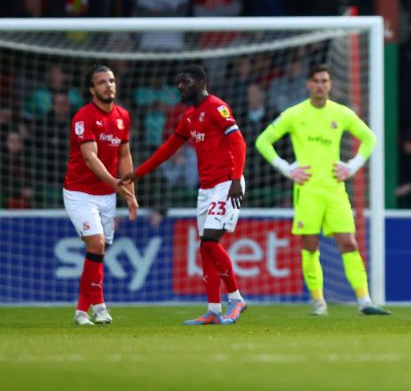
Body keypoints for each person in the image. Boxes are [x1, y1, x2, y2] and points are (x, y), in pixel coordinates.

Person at [254, 64, 388, 316]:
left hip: (335, 189)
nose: (320, 85)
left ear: (330, 84)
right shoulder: (294, 114)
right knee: (310, 245)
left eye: (324, 80)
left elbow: (370, 138)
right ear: (308, 84)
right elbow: (262, 141)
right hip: (307, 190)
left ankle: (365, 301)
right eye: (315, 80)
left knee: (349, 243)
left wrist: (353, 166)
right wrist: (286, 168)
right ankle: (318, 302)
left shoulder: (341, 113)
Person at [121, 65, 248, 325]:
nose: (179, 87)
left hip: (227, 183)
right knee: (205, 248)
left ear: (201, 81)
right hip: (206, 188)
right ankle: (213, 310)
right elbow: (168, 148)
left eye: (185, 82)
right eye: (178, 82)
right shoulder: (189, 116)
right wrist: (138, 172)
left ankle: (236, 298)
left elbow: (239, 142)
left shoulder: (217, 107)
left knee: (211, 242)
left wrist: (236, 178)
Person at [64, 65, 138, 325]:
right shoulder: (84, 117)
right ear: (92, 89)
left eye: (111, 80)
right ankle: (100, 306)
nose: (109, 85)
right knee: (96, 245)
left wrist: (129, 194)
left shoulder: (123, 116)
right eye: (102, 82)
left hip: (108, 196)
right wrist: (115, 183)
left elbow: (125, 155)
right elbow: (89, 157)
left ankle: (81, 311)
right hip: (79, 193)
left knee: (99, 252)